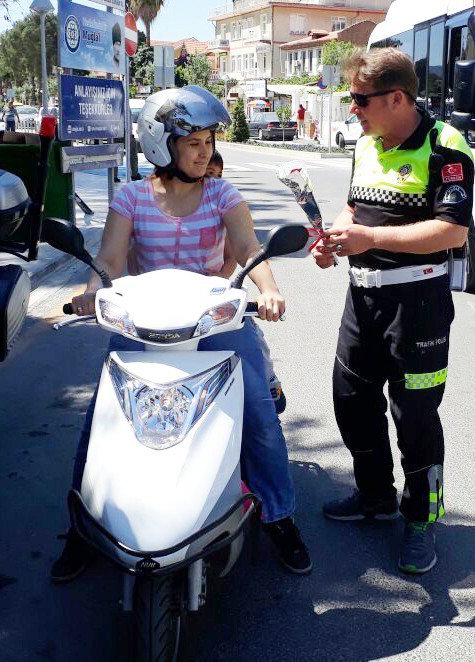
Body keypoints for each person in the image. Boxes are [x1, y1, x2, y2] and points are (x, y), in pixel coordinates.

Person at [50, 86, 311, 583]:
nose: (205, 151)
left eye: (209, 141)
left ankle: (279, 515)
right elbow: (108, 259)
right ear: (159, 143)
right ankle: (83, 529)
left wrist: (270, 291)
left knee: (256, 409)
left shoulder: (221, 194)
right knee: (100, 419)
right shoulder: (130, 197)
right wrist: (91, 292)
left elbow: (248, 247)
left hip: (213, 320)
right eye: (193, 142)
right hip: (144, 325)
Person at [312, 48, 474, 575]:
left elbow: (452, 230)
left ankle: (422, 519)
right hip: (362, 298)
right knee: (351, 398)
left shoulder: (444, 146)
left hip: (418, 304)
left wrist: (370, 237)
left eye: (360, 100)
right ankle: (375, 495)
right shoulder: (366, 143)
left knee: (416, 417)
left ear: (397, 97)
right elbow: (354, 208)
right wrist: (336, 238)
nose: (353, 110)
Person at [205, 150, 286, 414]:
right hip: (175, 300)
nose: (212, 181)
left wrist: (268, 291)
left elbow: (237, 254)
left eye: (216, 175)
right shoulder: (147, 201)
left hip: (214, 292)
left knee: (251, 336)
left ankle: (269, 381)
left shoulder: (226, 208)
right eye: (206, 175)